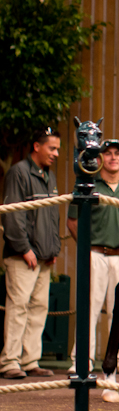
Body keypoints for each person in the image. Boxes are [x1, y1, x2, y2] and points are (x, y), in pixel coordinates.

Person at [67, 139, 119, 375]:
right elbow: (72, 221)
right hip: (95, 254)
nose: (113, 157)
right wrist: (86, 247)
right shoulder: (88, 185)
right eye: (107, 153)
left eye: (117, 153)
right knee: (89, 309)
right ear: (99, 159)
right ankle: (82, 360)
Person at [0, 127, 62, 379]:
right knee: (19, 308)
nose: (56, 154)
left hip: (43, 257)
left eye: (57, 149)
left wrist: (53, 248)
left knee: (38, 309)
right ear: (37, 146)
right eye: (52, 148)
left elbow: (52, 214)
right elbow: (12, 214)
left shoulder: (49, 176)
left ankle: (30, 360)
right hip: (22, 257)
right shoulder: (19, 172)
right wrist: (24, 248)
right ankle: (9, 361)